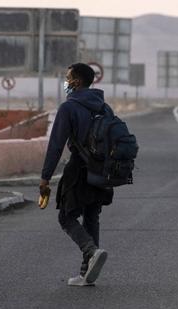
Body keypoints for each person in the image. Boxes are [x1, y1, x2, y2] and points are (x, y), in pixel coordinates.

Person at [40, 63, 112, 287]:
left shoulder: (69, 107)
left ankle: (91, 252)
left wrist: (45, 177)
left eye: (68, 77)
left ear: (77, 82)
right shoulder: (104, 107)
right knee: (92, 216)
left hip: (79, 168)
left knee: (66, 217)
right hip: (102, 169)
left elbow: (55, 145)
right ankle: (86, 273)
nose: (66, 80)